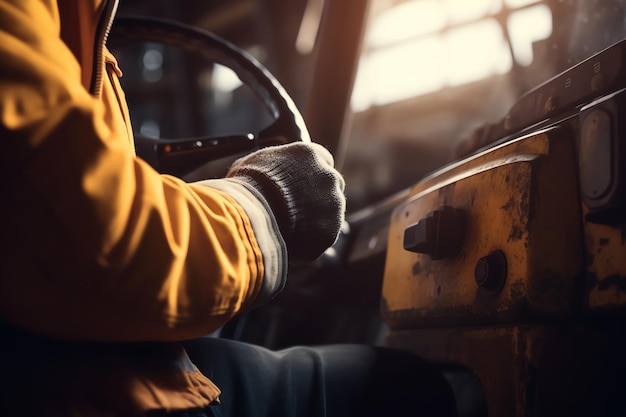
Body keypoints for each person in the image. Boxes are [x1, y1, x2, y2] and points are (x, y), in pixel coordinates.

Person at [0, 0, 457, 416]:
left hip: (59, 353)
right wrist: (266, 207)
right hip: (58, 388)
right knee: (409, 386)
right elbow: (86, 236)